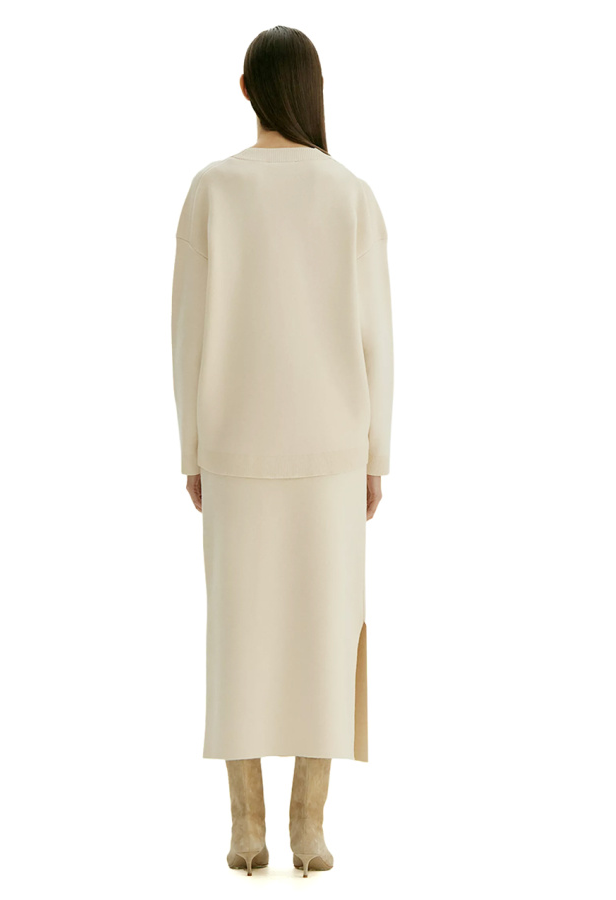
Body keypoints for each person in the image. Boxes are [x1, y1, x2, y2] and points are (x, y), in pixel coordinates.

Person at [170, 25, 394, 877]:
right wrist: (376, 452)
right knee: (324, 634)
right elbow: (378, 336)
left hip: (236, 444)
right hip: (331, 447)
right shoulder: (349, 194)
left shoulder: (212, 190)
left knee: (238, 633)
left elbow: (186, 332)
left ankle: (248, 828)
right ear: (313, 91)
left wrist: (191, 446)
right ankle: (307, 827)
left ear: (244, 88)